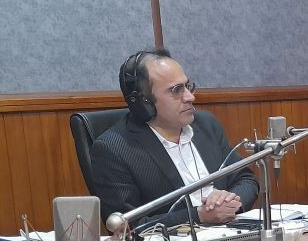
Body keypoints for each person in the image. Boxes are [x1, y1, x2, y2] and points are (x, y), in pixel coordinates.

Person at [90, 48, 258, 231]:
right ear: (144, 102)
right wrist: (199, 215)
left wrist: (230, 201)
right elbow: (125, 226)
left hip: (233, 233)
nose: (190, 97)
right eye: (177, 90)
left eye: (187, 86)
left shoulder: (206, 124)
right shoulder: (114, 149)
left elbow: (246, 179)